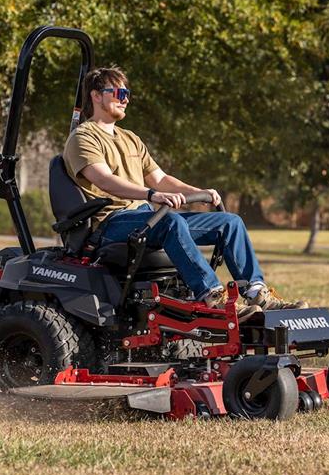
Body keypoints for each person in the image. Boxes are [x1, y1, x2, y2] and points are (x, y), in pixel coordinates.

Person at [63, 66, 307, 321]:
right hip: (111, 224)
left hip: (147, 219)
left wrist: (197, 192)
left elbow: (160, 178)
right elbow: (104, 180)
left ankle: (257, 294)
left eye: (128, 93)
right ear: (96, 96)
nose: (125, 99)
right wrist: (152, 195)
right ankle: (212, 297)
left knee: (230, 223)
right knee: (170, 220)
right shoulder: (83, 137)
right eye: (118, 92)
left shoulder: (130, 138)